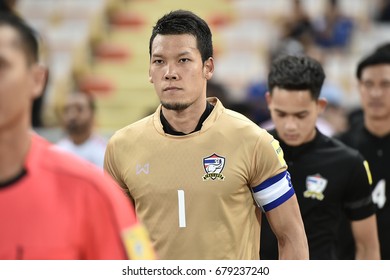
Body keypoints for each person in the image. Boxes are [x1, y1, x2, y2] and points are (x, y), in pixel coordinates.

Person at [104, 9, 309, 260]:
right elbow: (117, 238)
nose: (170, 72)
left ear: (208, 67)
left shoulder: (253, 141)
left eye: (183, 60)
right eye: (159, 61)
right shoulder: (121, 147)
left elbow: (291, 236)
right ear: (149, 71)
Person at [0, 12, 155, 260]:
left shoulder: (95, 194)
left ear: (37, 79)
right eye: (69, 109)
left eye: (1, 66)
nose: (73, 115)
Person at [260, 54, 380, 260]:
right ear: (269, 101)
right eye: (281, 114)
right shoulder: (251, 152)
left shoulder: (348, 163)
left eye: (301, 115)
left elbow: (367, 248)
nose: (290, 125)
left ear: (320, 106)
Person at [336, 46, 390, 259]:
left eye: (386, 84)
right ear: (359, 88)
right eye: (369, 84)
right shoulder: (340, 149)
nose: (376, 93)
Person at [56, 91, 107, 169]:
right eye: (67, 110)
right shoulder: (57, 150)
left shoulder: (104, 151)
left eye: (79, 109)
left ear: (92, 113)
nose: (72, 115)